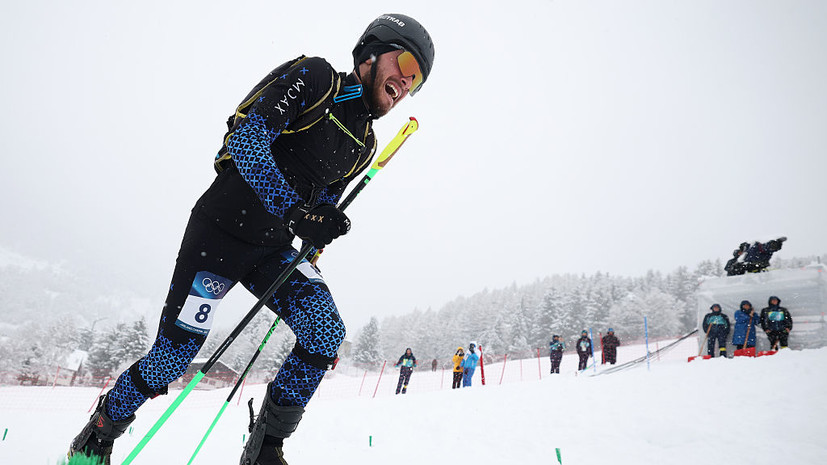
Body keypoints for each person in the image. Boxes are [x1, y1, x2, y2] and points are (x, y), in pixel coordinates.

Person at [68, 13, 435, 465]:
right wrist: (296, 212)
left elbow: (320, 208)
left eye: (416, 80)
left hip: (273, 249)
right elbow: (247, 141)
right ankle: (100, 432)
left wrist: (319, 233)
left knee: (324, 331)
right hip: (221, 235)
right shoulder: (318, 78)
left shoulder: (364, 145)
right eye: (404, 63)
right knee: (173, 358)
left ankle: (264, 448)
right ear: (371, 52)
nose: (405, 81)